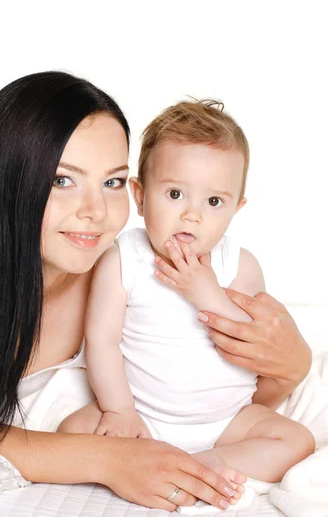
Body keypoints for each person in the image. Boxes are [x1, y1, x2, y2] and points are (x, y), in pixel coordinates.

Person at [0, 75, 312, 513]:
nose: (95, 212)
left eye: (111, 182)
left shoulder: (113, 268)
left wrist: (292, 364)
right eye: (61, 180)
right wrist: (111, 457)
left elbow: (238, 381)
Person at [60, 100, 315, 507]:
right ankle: (147, 459)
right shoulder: (124, 258)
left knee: (296, 440)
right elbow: (101, 341)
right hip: (142, 414)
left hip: (226, 421)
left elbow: (250, 344)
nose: (192, 216)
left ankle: (199, 465)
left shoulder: (239, 265)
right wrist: (120, 411)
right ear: (140, 197)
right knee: (72, 431)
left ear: (235, 209)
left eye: (214, 202)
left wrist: (205, 291)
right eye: (176, 193)